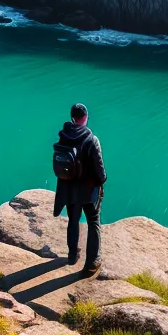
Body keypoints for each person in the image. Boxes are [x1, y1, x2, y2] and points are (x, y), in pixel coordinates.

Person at [52, 102, 107, 274]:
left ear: (72, 118)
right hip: (88, 189)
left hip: (69, 187)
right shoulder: (91, 139)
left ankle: (72, 255)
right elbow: (99, 168)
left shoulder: (63, 136)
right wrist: (102, 180)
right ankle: (91, 264)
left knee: (73, 220)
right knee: (93, 222)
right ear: (85, 118)